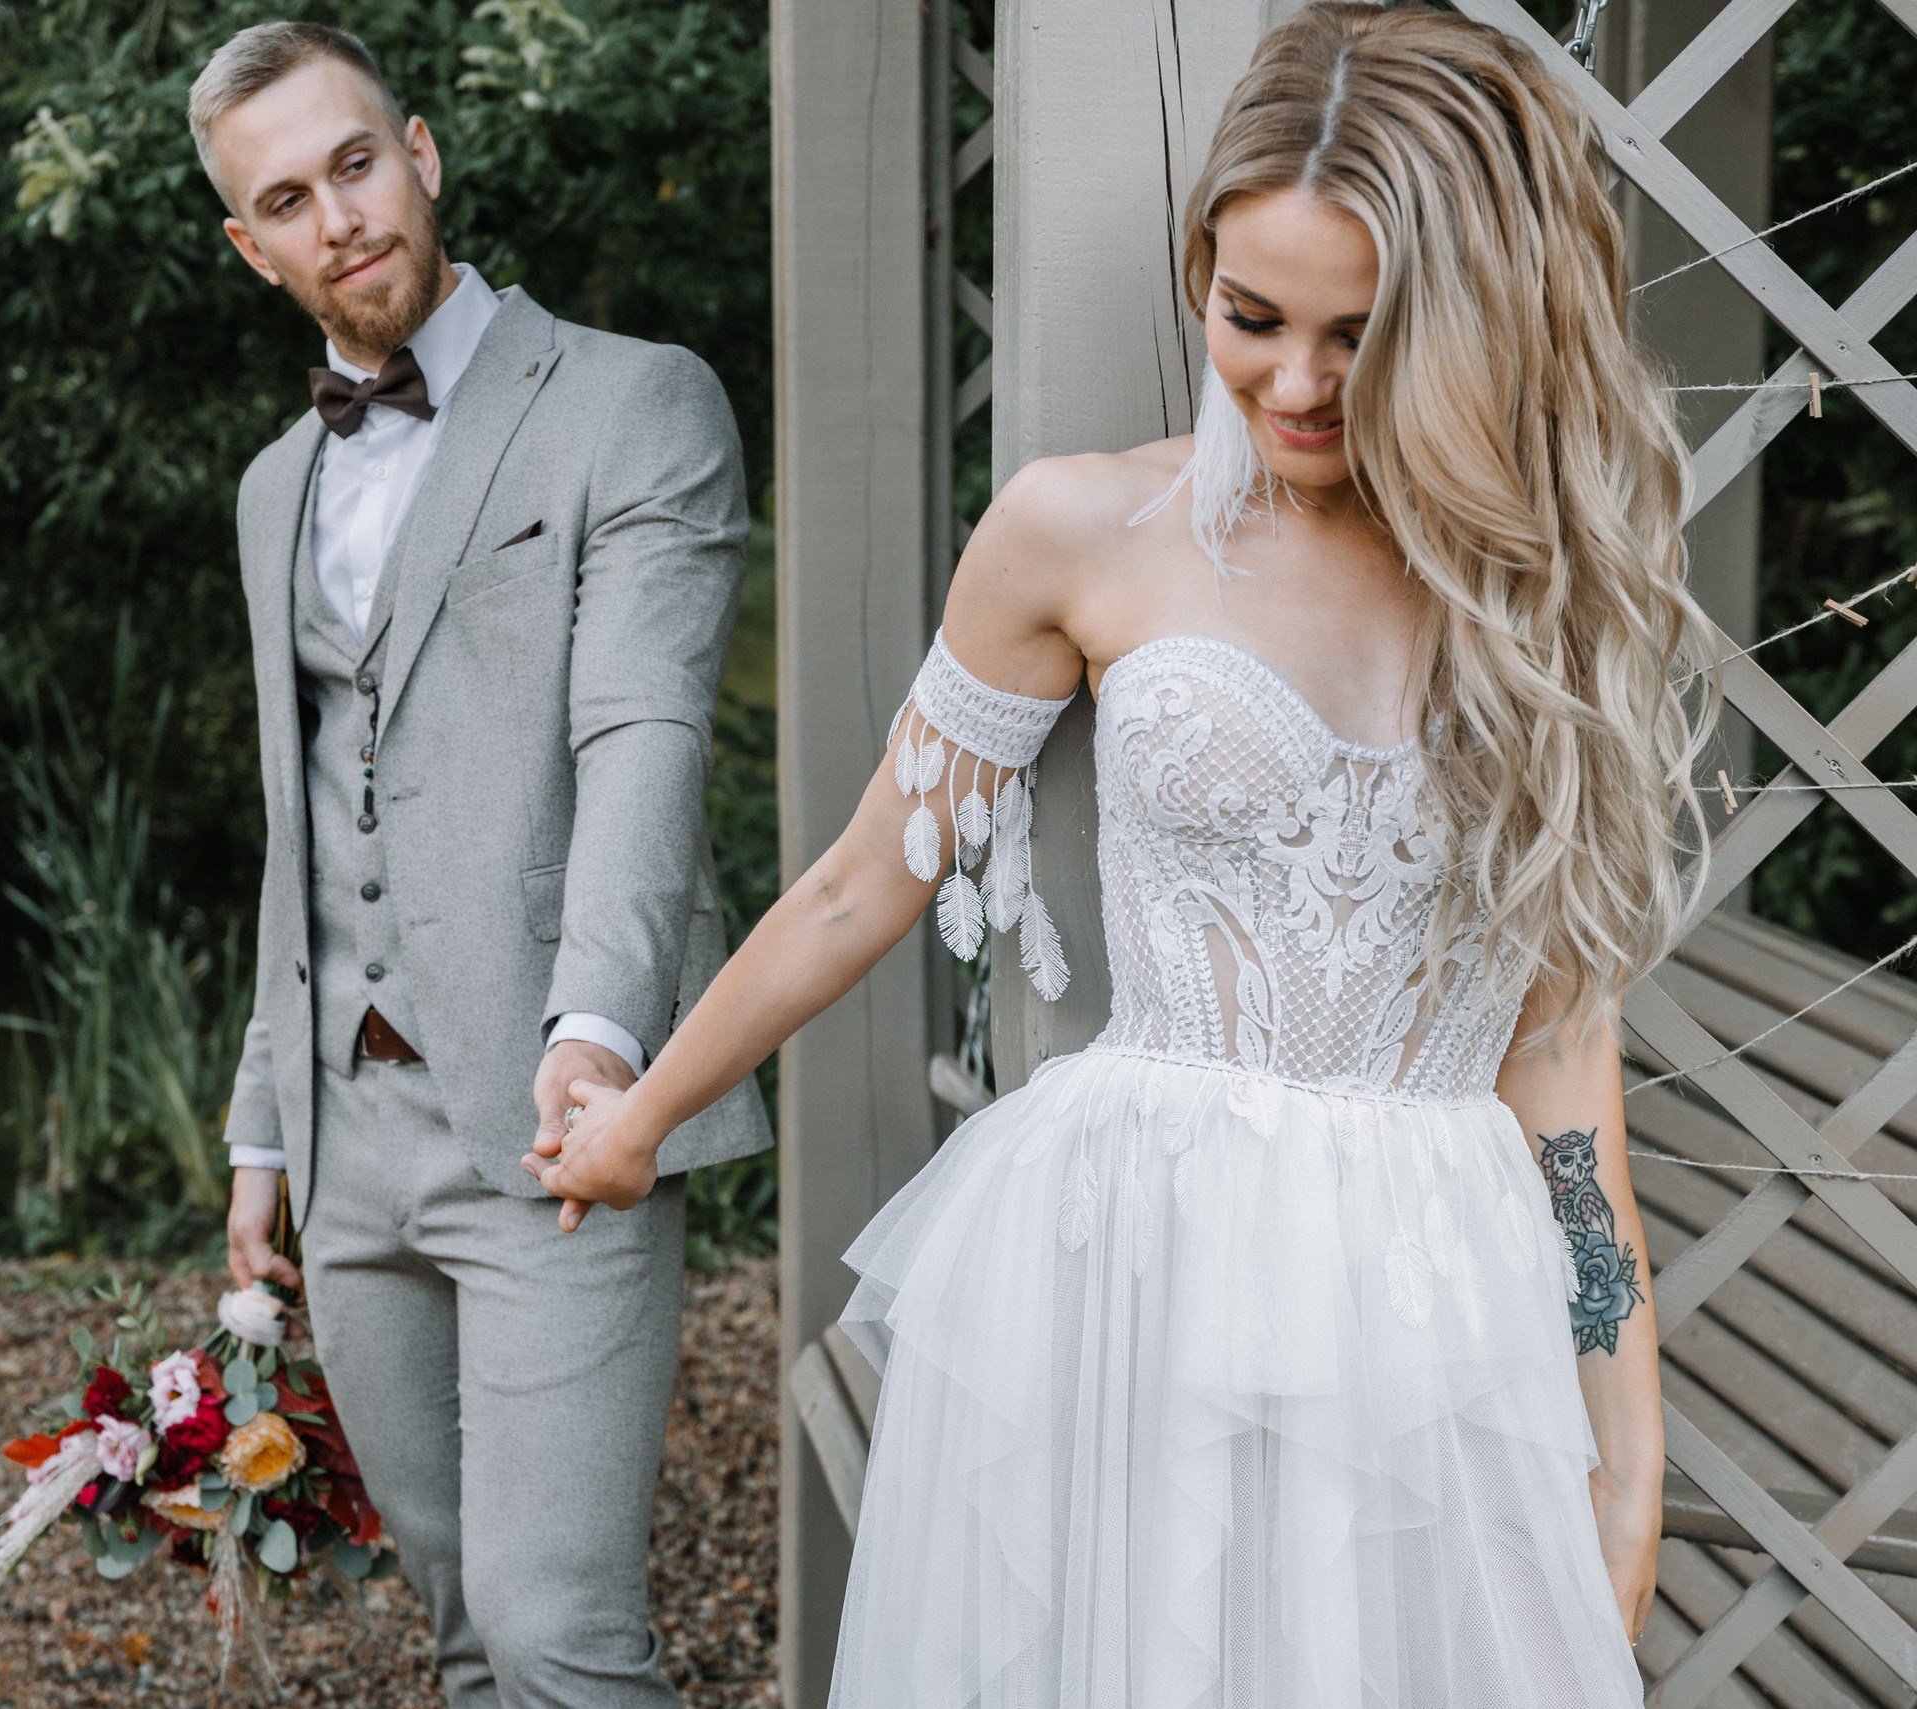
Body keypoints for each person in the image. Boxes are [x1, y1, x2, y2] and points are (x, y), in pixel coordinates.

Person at [529, 8, 1702, 1703]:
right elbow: (872, 872)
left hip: (1437, 1291)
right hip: (1138, 1256)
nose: (1295, 385)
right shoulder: (1083, 529)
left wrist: (1627, 1435)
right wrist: (639, 1116)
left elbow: (1562, 1050)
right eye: (1251, 318)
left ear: (1474, 326)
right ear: (1199, 272)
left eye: (1361, 336)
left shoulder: (1548, 599)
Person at [191, 22, 772, 1709]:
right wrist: (261, 1125)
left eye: (356, 164)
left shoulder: (632, 400)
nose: (339, 219)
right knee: (455, 1628)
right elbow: (301, 817)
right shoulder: (270, 488)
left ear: (423, 152)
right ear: (253, 246)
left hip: (556, 1108)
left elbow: (642, 739)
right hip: (348, 1138)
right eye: (286, 200)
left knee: (556, 1635)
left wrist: (598, 1038)